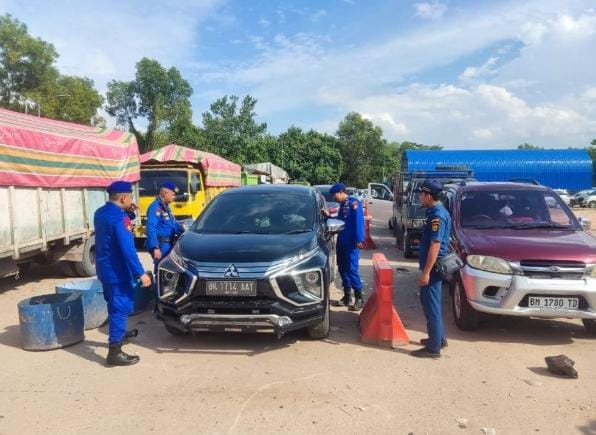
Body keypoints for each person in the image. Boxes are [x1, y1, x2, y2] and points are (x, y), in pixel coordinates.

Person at [94, 181, 152, 366]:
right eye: (130, 197)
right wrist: (141, 273)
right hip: (118, 271)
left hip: (104, 269)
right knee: (120, 308)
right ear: (123, 197)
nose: (132, 200)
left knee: (113, 305)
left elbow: (113, 229)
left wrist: (128, 211)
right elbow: (128, 250)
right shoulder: (121, 219)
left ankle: (118, 334)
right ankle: (114, 352)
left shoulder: (101, 213)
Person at [411, 179, 452, 359]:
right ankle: (439, 339)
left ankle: (434, 348)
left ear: (428, 195)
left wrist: (426, 272)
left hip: (434, 268)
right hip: (434, 266)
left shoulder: (437, 215)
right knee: (431, 304)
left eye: (421, 194)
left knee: (431, 306)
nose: (420, 197)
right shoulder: (435, 212)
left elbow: (435, 245)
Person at [330, 182, 365, 311]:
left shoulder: (354, 203)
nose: (334, 198)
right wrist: (327, 216)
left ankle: (359, 297)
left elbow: (358, 221)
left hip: (351, 242)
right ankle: (347, 296)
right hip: (342, 241)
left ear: (340, 192)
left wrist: (359, 238)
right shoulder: (342, 205)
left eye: (335, 195)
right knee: (342, 268)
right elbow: (339, 221)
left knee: (352, 269)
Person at [146, 181, 184, 274]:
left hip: (168, 244)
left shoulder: (165, 207)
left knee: (168, 270)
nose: (174, 197)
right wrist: (155, 247)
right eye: (172, 194)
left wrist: (183, 231)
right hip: (161, 244)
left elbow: (172, 224)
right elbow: (151, 227)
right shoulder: (155, 207)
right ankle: (157, 288)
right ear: (165, 193)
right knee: (161, 270)